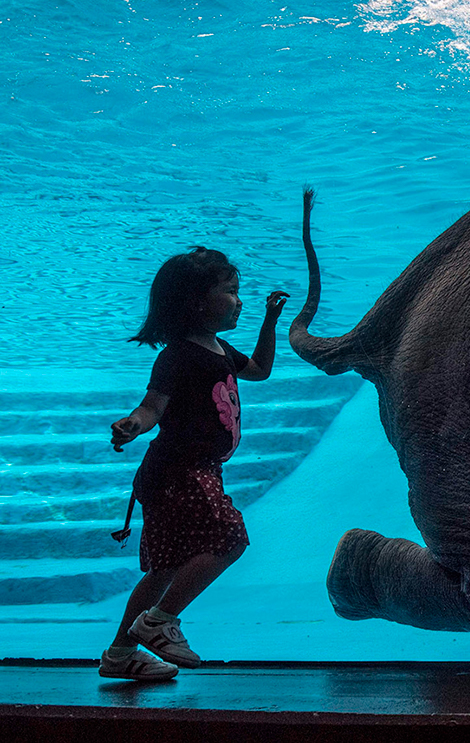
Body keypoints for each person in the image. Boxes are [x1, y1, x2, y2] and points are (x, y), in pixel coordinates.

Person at [98, 247, 289, 681]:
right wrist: (133, 424)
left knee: (165, 566)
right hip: (179, 470)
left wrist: (270, 322)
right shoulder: (179, 355)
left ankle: (120, 653)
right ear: (197, 302)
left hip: (194, 470)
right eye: (231, 291)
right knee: (229, 538)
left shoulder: (218, 348)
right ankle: (159, 620)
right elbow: (152, 407)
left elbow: (258, 370)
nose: (239, 300)